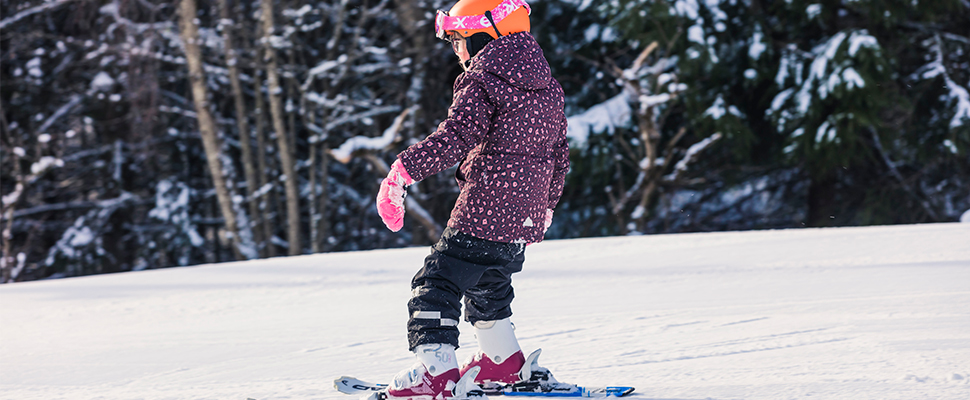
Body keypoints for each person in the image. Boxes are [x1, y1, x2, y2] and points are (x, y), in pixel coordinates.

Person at [374, 0, 568, 398]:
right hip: (524, 216)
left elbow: (455, 137)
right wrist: (547, 205)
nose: (458, 51)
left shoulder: (484, 79)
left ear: (486, 33)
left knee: (436, 284)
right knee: (488, 284)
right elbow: (559, 153)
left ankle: (436, 374)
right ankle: (502, 361)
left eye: (459, 40)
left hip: (486, 207)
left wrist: (401, 172)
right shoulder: (547, 85)